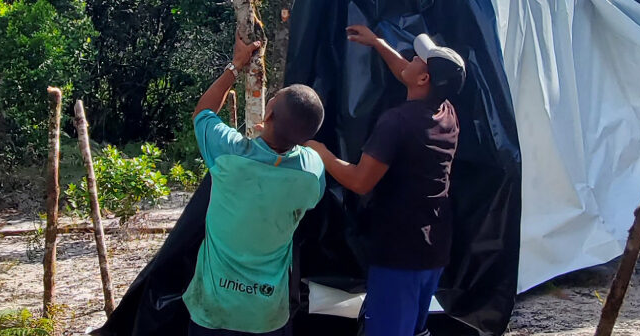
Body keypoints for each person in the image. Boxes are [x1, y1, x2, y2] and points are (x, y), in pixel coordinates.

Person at [304, 25, 466, 336]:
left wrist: (322, 153)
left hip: (400, 254)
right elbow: (406, 71)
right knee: (415, 329)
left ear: (424, 79)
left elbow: (361, 181)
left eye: (418, 58)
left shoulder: (397, 123)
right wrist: (378, 44)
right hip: (434, 246)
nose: (410, 58)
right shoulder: (447, 112)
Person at [183, 37, 329, 336]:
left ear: (268, 113)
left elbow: (203, 113)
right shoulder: (311, 172)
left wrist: (235, 67)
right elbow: (302, 153)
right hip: (266, 315)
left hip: (213, 309)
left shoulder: (230, 155)